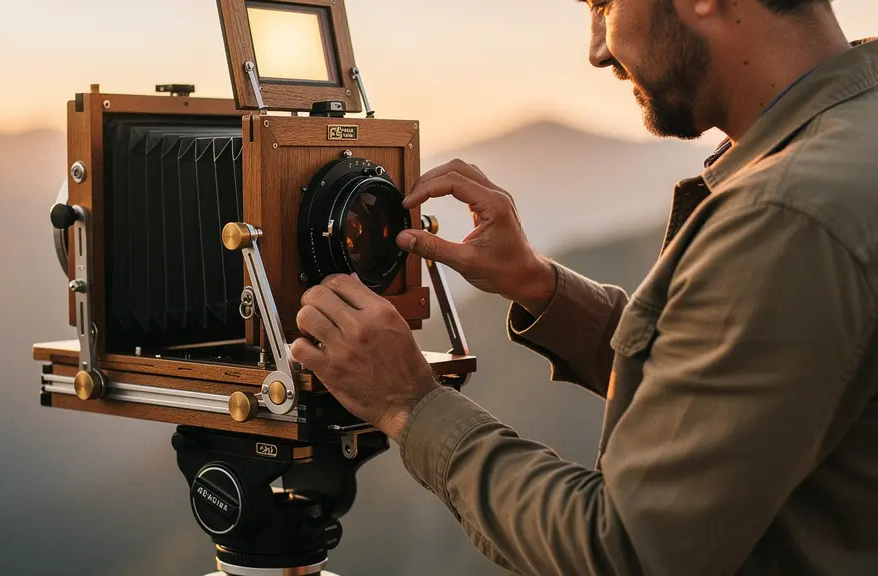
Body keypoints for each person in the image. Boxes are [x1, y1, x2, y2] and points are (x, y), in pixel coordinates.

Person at [289, 0, 878, 573]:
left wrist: (410, 404)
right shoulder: (853, 138)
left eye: (604, 5)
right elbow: (744, 383)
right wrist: (539, 285)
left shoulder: (785, 215)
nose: (598, 50)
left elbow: (625, 550)